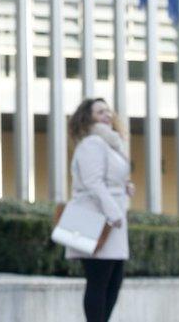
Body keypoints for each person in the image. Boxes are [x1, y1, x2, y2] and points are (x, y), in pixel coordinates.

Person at [65, 98, 134, 322]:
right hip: (95, 218)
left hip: (111, 220)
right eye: (100, 111)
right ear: (88, 117)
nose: (107, 114)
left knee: (114, 281)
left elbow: (108, 179)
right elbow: (93, 182)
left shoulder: (111, 145)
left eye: (108, 110)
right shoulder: (92, 143)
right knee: (99, 281)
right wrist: (114, 213)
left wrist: (124, 187)